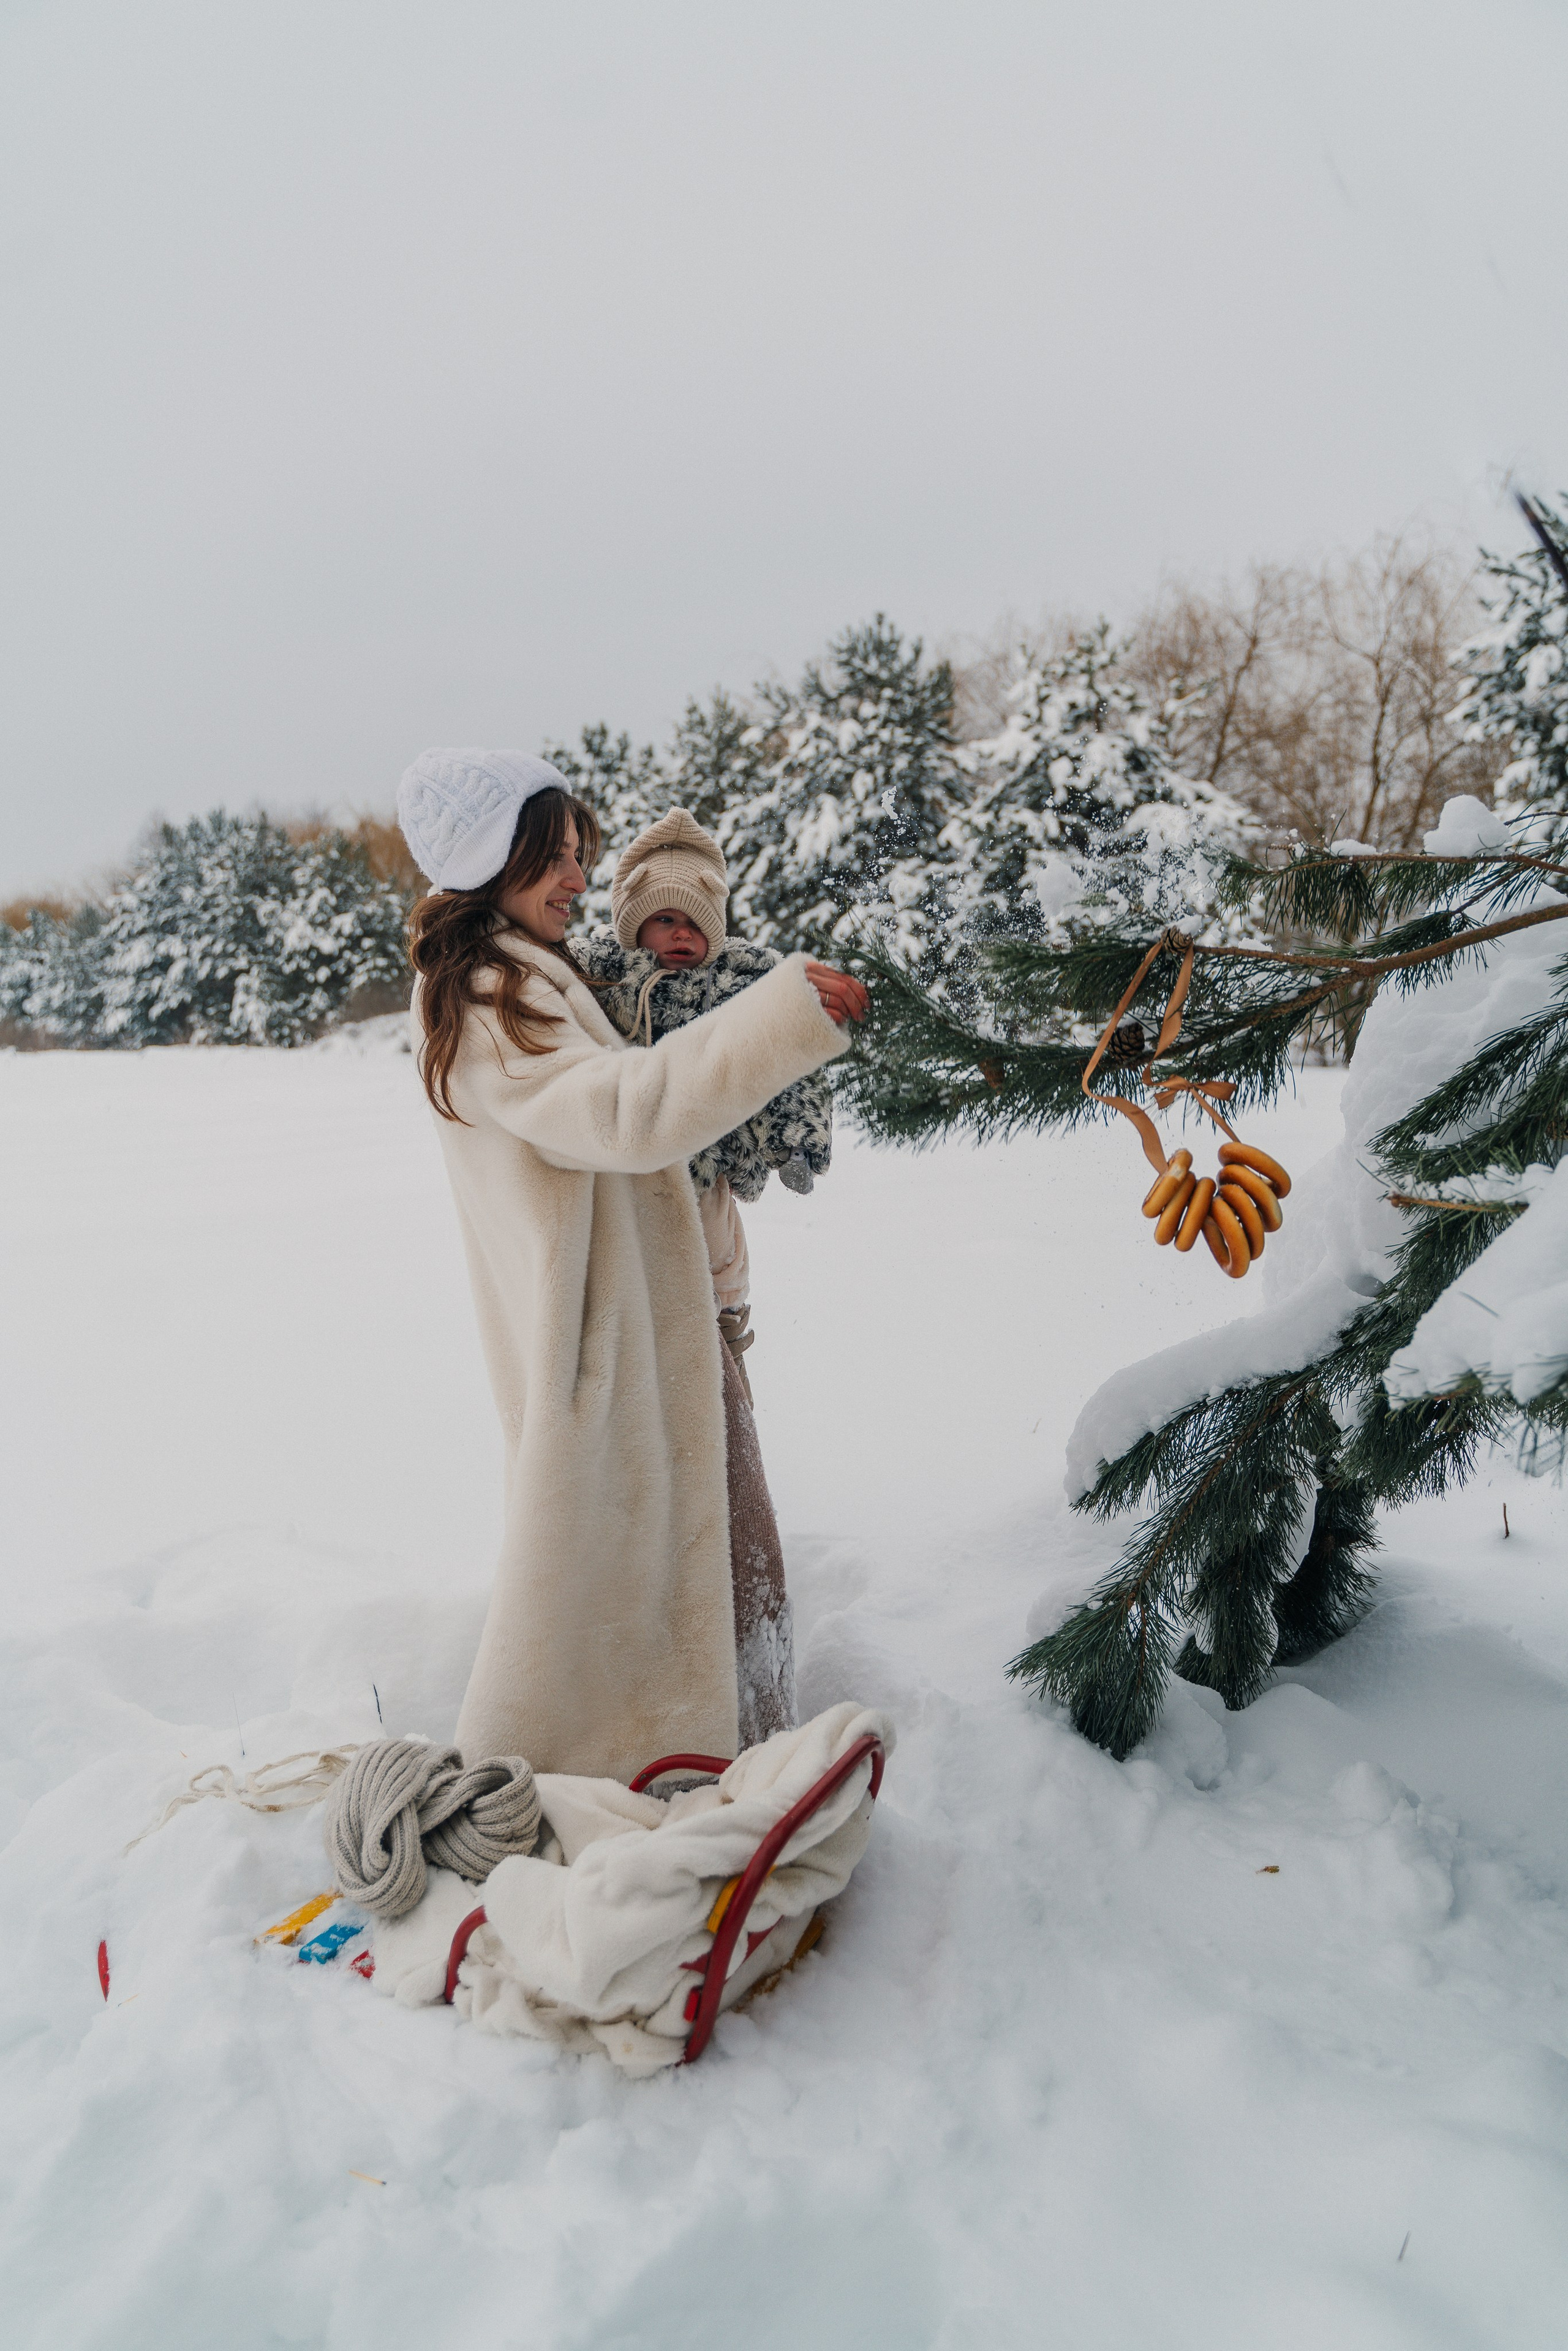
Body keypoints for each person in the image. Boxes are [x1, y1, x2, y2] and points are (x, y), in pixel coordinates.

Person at [397, 747, 867, 1781]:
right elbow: (623, 1112)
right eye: (554, 857)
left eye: (576, 855)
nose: (578, 880)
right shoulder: (490, 997)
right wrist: (786, 1016)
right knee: (706, 1574)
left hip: (659, 1329)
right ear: (491, 861)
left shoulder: (534, 978)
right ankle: (720, 1772)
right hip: (614, 1354)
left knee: (729, 1568)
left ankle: (741, 1754)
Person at [570, 806, 835, 1403]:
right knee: (633, 1266)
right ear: (632, 925)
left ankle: (727, 1334)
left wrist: (792, 1142)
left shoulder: (736, 983)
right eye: (664, 919)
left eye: (695, 920)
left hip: (708, 1158)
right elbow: (549, 973)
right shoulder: (607, 975)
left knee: (717, 1255)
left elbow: (780, 1059)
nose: (682, 932)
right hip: (628, 1165)